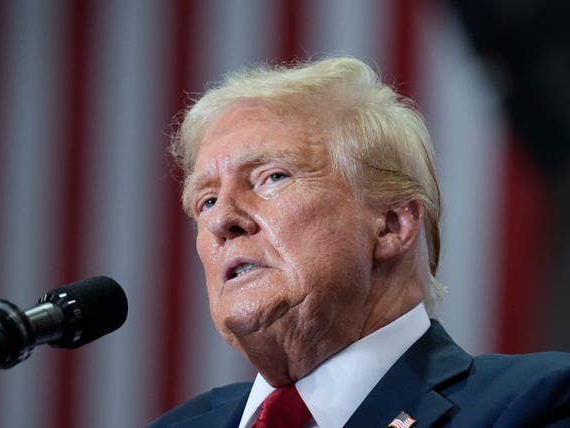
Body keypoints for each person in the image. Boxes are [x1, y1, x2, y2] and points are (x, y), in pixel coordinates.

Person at [149, 57, 570, 427]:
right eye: (205, 201)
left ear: (391, 224)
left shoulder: (534, 404)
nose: (222, 219)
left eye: (272, 177)